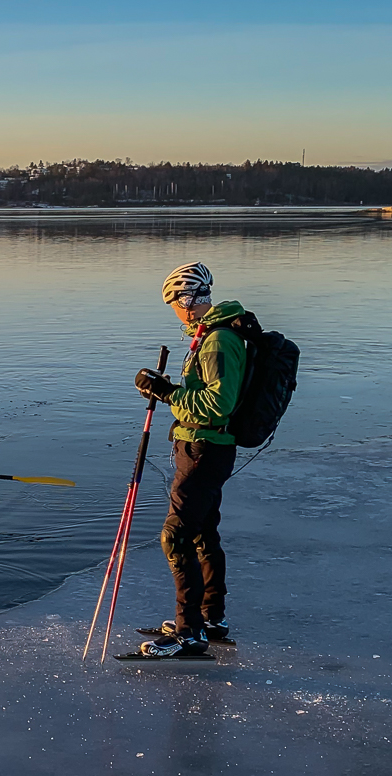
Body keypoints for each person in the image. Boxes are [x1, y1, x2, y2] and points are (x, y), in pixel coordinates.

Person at [132, 261, 249, 658]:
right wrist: (168, 388)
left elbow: (218, 404)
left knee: (176, 535)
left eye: (173, 303)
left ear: (185, 300)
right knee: (202, 532)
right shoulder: (211, 335)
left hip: (206, 449)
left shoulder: (218, 340)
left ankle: (190, 632)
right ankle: (209, 617)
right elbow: (205, 392)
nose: (175, 311)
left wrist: (168, 394)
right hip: (200, 447)